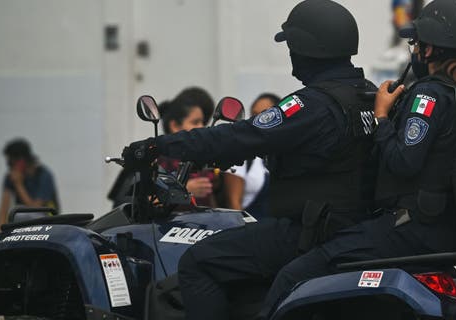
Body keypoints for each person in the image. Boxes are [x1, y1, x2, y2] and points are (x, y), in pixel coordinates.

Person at [122, 1, 378, 318]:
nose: (290, 54)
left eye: (293, 46)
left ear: (307, 48)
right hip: (353, 229)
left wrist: (159, 146)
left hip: (310, 232)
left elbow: (240, 136)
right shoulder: (368, 95)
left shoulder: (312, 105)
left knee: (198, 263)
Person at [259, 0, 456, 317]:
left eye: (416, 42)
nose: (414, 49)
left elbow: (404, 161)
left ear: (431, 49)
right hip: (455, 234)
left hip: (410, 228)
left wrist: (381, 116)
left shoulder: (430, 94)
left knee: (294, 275)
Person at [222, 93, 280, 218]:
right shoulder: (241, 155)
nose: (258, 120)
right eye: (254, 114)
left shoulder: (283, 154)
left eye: (265, 114)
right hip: (252, 230)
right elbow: (234, 205)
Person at [158, 99, 219, 207]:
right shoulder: (158, 160)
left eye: (203, 122)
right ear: (175, 126)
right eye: (195, 122)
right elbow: (143, 203)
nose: (201, 127)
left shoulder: (203, 157)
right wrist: (184, 189)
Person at [0, 139, 60, 230]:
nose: (9, 167)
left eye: (11, 162)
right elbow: (3, 210)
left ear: (21, 161)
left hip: (45, 220)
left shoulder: (44, 175)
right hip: (21, 219)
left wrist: (18, 184)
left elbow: (35, 208)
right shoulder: (10, 177)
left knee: (19, 214)